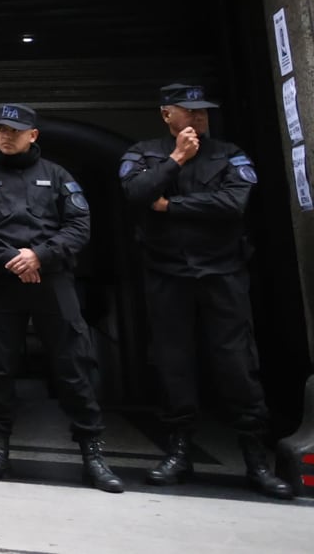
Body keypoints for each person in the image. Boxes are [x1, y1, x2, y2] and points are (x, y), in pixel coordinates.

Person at [120, 84, 294, 499]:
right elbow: (136, 195)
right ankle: (179, 452)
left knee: (237, 362)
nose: (199, 118)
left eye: (203, 112)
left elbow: (232, 204)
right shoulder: (142, 153)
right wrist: (177, 159)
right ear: (167, 115)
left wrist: (172, 207)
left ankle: (255, 457)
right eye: (189, 111)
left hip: (222, 272)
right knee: (172, 362)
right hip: (167, 272)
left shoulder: (230, 154)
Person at [0, 104, 120, 492]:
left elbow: (80, 225)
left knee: (74, 366)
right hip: (0, 281)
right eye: (0, 129)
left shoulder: (57, 175)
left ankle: (93, 453)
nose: (6, 136)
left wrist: (39, 255)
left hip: (52, 278)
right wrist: (11, 257)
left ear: (33, 135)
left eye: (14, 130)